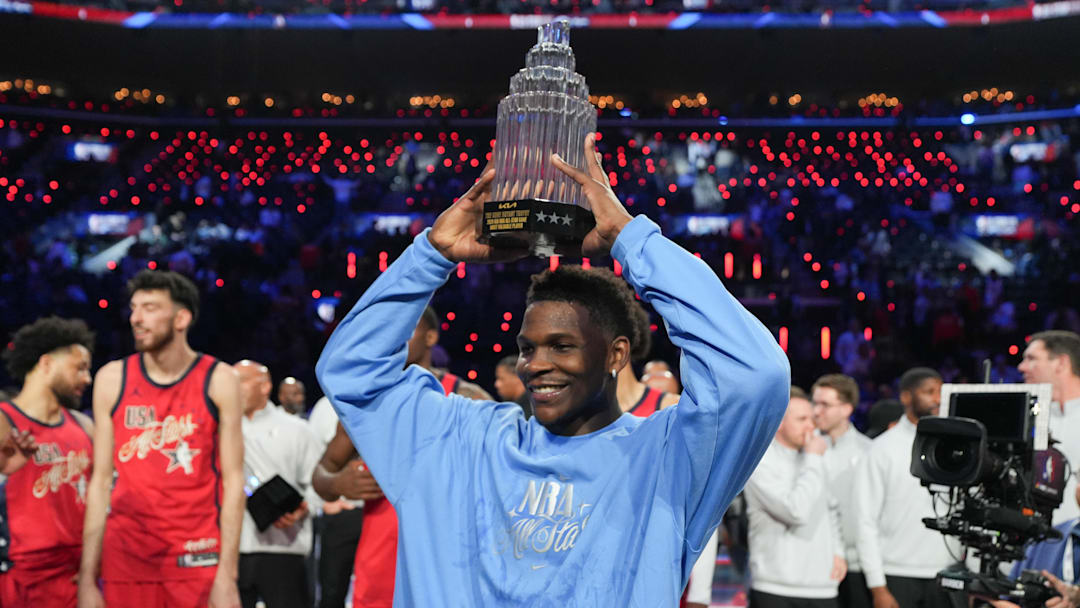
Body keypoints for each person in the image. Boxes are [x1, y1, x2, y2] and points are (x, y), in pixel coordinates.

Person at [314, 136, 790, 605]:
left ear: (616, 355)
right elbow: (350, 372)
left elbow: (754, 374)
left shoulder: (669, 462)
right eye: (527, 348)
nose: (536, 365)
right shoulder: (459, 441)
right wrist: (431, 255)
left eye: (562, 347)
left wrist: (629, 240)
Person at [78, 270, 244, 608]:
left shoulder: (220, 379)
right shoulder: (112, 378)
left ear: (181, 318)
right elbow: (99, 482)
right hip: (127, 557)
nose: (136, 318)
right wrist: (86, 576)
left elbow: (234, 480)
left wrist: (228, 575)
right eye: (135, 308)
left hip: (197, 557)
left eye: (150, 307)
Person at [312, 310, 492, 608]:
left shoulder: (470, 398)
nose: (394, 337)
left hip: (447, 562)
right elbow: (321, 475)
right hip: (380, 565)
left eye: (406, 329)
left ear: (431, 337)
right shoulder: (367, 401)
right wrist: (340, 481)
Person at [0, 317, 95, 608]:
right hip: (18, 579)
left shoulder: (83, 426)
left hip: (73, 578)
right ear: (46, 364)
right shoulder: (4, 420)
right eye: (79, 368)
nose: (87, 379)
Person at [852, 367, 956, 608]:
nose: (938, 399)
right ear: (906, 397)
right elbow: (864, 520)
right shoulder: (881, 449)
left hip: (947, 574)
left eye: (941, 391)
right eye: (929, 392)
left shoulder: (958, 448)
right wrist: (877, 586)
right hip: (896, 574)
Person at [746, 386, 845, 608]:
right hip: (775, 586)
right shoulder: (759, 463)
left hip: (823, 587)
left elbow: (830, 508)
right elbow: (795, 511)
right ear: (778, 422)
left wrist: (837, 552)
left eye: (812, 418)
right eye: (802, 419)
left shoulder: (817, 456)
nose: (812, 426)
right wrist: (813, 459)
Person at [235, 360, 322, 608]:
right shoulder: (219, 428)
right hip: (234, 549)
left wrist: (304, 508)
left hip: (285, 548)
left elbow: (318, 483)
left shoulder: (298, 430)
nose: (233, 388)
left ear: (265, 387)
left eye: (241, 381)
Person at [811, 374, 872, 608]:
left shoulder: (869, 452)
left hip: (856, 565)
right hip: (813, 562)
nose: (817, 411)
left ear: (846, 408)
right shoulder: (802, 448)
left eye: (824, 404)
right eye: (814, 403)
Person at [306, 396, 364, 608]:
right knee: (332, 589)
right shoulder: (325, 407)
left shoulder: (390, 397)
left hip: (385, 513)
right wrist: (323, 502)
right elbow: (314, 457)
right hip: (341, 510)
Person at [1019, 331, 1080, 524]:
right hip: (1031, 541)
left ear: (1061, 363)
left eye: (1031, 359)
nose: (1022, 367)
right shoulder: (1028, 419)